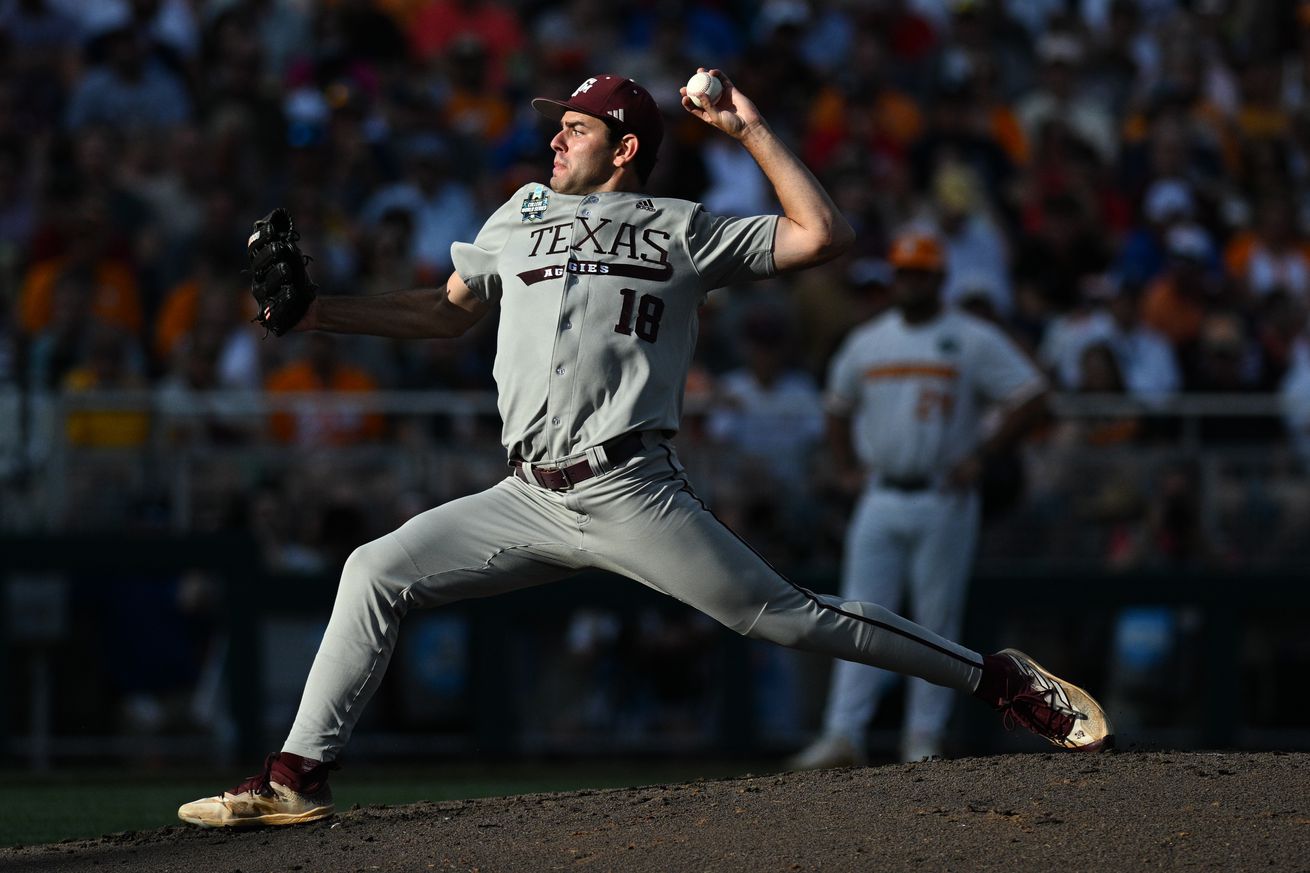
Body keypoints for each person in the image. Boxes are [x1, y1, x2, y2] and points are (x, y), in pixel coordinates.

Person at [178, 69, 1112, 829]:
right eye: (558, 124)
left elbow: (824, 235)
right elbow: (443, 313)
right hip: (525, 494)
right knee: (375, 568)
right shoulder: (519, 212)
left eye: (575, 127)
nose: (555, 136)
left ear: (625, 148)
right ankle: (297, 774)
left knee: (789, 617)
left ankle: (994, 676)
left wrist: (748, 129)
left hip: (632, 487)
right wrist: (317, 313)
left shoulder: (683, 228)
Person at [788, 230, 1052, 769]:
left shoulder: (970, 337)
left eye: (920, 273)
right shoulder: (869, 339)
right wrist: (845, 468)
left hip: (943, 493)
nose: (910, 282)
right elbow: (836, 406)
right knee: (858, 616)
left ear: (939, 278)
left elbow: (1031, 395)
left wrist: (984, 454)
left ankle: (923, 737)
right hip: (881, 492)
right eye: (903, 273)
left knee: (936, 621)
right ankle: (844, 734)